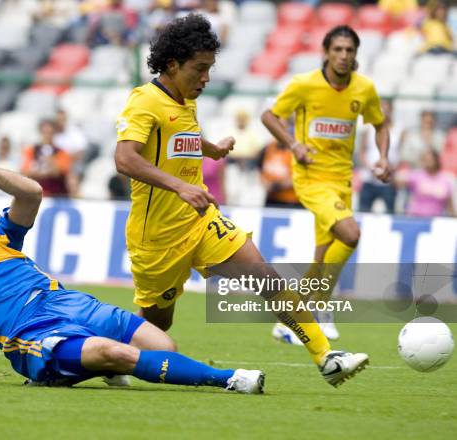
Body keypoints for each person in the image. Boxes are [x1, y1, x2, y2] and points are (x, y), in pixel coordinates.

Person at [0, 141, 265, 394]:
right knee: (118, 353)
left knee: (163, 347)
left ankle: (94, 366)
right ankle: (230, 379)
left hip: (69, 305)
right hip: (30, 334)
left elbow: (32, 193)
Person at [114, 14, 369, 387]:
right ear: (172, 64)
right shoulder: (144, 101)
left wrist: (210, 148)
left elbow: (178, 134)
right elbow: (125, 158)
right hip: (157, 238)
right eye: (199, 70)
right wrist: (180, 186)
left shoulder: (184, 100)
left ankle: (325, 357)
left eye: (209, 70)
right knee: (158, 322)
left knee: (265, 276)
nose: (206, 79)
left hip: (200, 221)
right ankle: (110, 360)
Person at [261, 25, 391, 342]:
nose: (344, 56)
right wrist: (293, 144)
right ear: (326, 52)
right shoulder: (304, 85)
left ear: (356, 55)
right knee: (350, 233)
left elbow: (380, 124)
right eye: (338, 50)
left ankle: (289, 319)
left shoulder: (364, 89)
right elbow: (269, 116)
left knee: (321, 258)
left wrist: (383, 157)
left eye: (349, 51)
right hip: (310, 177)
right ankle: (320, 307)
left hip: (342, 181)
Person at [357, 99, 402, 214]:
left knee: (390, 212)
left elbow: (401, 154)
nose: (384, 110)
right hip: (369, 178)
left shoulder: (399, 129)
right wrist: (371, 168)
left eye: (387, 107)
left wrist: (390, 169)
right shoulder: (368, 129)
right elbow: (361, 153)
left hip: (389, 178)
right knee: (363, 211)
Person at [397, 149, 455, 217]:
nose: (427, 162)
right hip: (415, 217)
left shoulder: (445, 179)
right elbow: (398, 181)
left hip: (435, 220)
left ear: (436, 160)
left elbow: (450, 204)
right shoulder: (417, 175)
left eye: (429, 159)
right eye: (425, 160)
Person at [21, 119, 72, 198]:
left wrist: (50, 161)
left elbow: (60, 172)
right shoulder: (31, 150)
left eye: (50, 132)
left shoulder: (62, 152)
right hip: (34, 194)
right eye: (45, 132)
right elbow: (25, 171)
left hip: (55, 195)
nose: (47, 135)